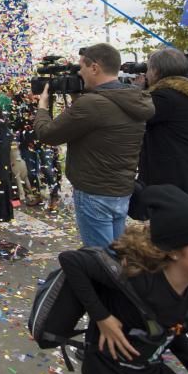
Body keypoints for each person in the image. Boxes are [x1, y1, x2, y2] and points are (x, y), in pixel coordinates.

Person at [57, 186, 188, 374]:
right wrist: (102, 317)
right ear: (174, 251)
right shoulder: (136, 280)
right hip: (108, 373)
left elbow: (173, 333)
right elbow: (70, 260)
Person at [35, 44, 154, 248]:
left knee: (100, 259)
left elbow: (48, 134)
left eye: (81, 67)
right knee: (116, 252)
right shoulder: (134, 97)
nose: (79, 72)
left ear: (94, 68)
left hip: (94, 192)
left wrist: (42, 106)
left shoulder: (92, 104)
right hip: (121, 189)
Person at [138, 48, 188, 214]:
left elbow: (133, 114)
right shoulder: (185, 94)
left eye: (147, 69)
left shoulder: (164, 98)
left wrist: (135, 91)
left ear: (156, 71)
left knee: (178, 238)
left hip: (177, 183)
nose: (145, 75)